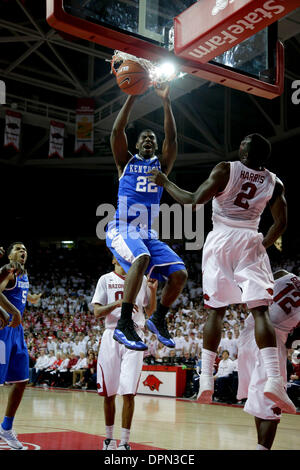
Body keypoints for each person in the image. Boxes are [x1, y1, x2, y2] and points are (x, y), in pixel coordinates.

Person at [149, 133, 295, 413]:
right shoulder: (274, 182)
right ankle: (275, 380)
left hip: (221, 240)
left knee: (216, 311)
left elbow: (192, 201)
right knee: (260, 311)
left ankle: (205, 378)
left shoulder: (226, 169)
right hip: (250, 238)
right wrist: (261, 245)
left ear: (242, 153)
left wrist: (165, 182)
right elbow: (282, 222)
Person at [106, 84, 188, 351]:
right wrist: (133, 95)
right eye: (144, 138)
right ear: (137, 144)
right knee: (142, 258)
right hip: (121, 227)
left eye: (153, 138)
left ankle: (159, 318)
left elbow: (172, 140)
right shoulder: (125, 163)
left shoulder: (161, 166)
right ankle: (125, 324)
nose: (150, 140)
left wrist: (166, 101)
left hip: (146, 233)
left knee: (179, 274)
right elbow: (117, 131)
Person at [91, 257, 157, 450]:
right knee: (109, 392)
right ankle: (109, 440)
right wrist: (117, 303)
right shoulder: (105, 279)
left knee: (128, 391)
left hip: (135, 334)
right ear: (113, 258)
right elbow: (97, 312)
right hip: (111, 334)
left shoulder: (142, 279)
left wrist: (152, 292)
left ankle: (125, 442)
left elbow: (150, 311)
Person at [237, 270, 300, 449]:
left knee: (262, 399)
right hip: (271, 340)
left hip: (249, 333)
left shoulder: (285, 273)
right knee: (273, 404)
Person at [0, 242, 42, 449]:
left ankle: (6, 428)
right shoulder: (8, 271)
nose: (22, 251)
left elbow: (22, 296)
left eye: (25, 248)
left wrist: (32, 299)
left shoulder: (24, 275)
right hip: (2, 329)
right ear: (9, 256)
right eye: (17, 248)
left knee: (21, 380)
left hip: (16, 332)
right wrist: (12, 312)